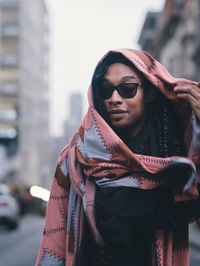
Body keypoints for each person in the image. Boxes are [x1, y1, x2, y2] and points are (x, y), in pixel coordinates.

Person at [36, 49, 200, 266]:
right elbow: (54, 246)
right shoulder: (74, 158)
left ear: (149, 93)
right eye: (105, 89)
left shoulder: (176, 161)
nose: (114, 99)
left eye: (127, 89)